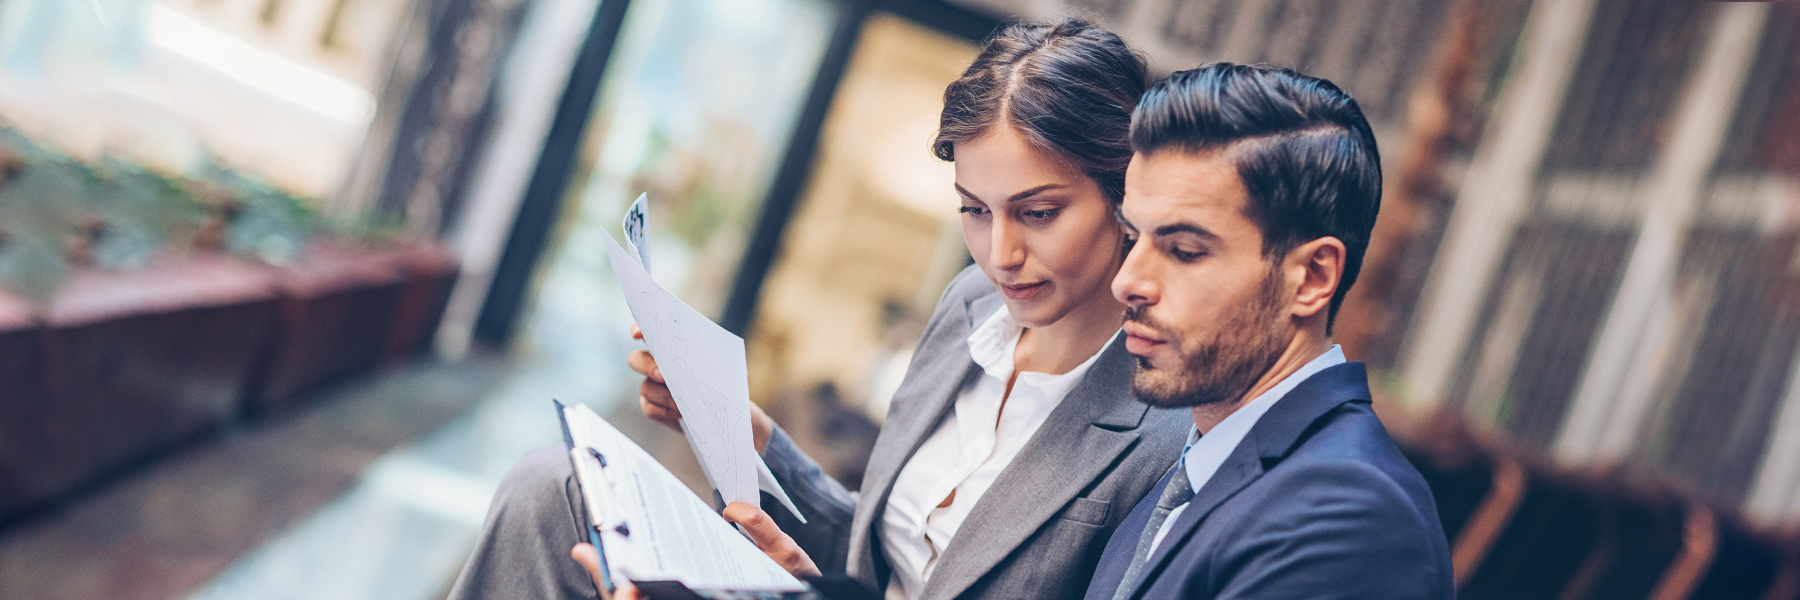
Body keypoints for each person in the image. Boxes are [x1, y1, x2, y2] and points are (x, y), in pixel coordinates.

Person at [445, 18, 1191, 600]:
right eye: (973, 210)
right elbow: (870, 545)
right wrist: (749, 434)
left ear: (1126, 197)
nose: (999, 254)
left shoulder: (1165, 415)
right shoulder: (969, 310)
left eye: (1037, 213)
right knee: (550, 487)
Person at [1079, 63, 1454, 600]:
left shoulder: (1350, 519)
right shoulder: (1204, 460)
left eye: (1184, 251)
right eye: (1133, 237)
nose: (1127, 282)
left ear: (1312, 277)